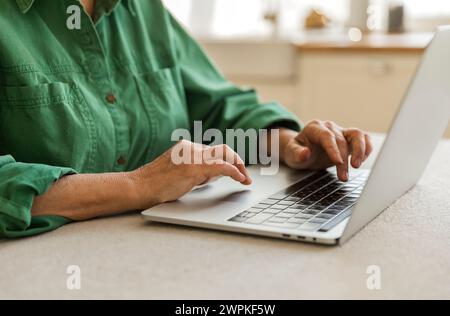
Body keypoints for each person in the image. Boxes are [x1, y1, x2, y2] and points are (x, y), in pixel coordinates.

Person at [0, 0, 372, 238]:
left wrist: (291, 147)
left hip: (155, 248)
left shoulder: (142, 10)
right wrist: (139, 185)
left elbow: (216, 107)